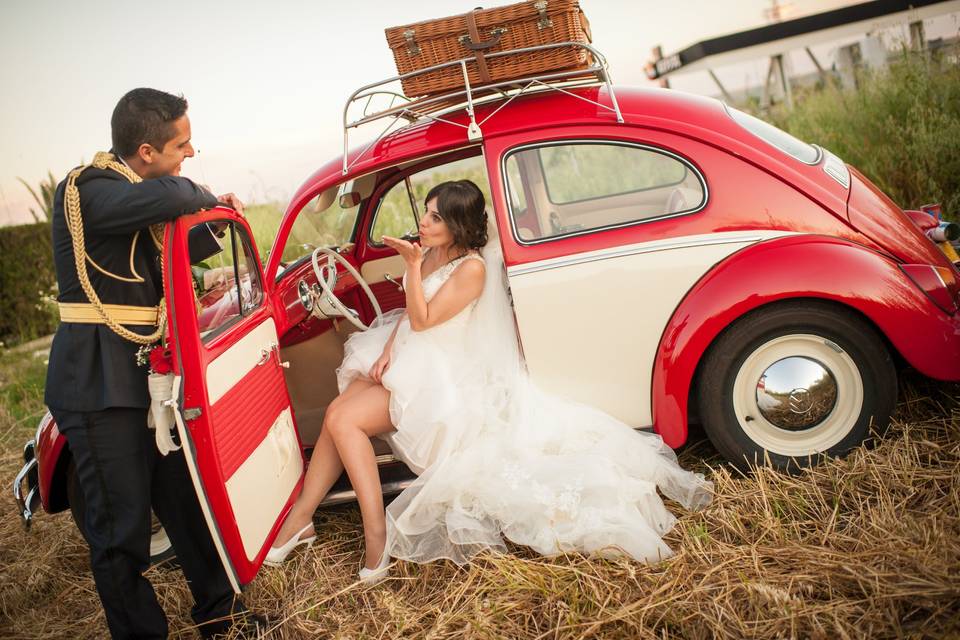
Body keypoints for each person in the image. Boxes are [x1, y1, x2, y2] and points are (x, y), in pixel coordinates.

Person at [267, 180, 713, 580]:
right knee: (335, 413)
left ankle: (376, 538)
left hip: (444, 376)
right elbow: (407, 321)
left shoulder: (472, 270)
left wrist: (410, 266)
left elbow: (423, 320)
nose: (422, 221)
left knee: (345, 422)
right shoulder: (436, 254)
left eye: (435, 216)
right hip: (410, 354)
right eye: (425, 211)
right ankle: (304, 518)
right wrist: (386, 349)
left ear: (458, 225)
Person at [45, 88, 265, 638]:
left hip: (152, 378)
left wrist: (215, 214)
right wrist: (200, 193)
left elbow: (182, 243)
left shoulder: (140, 198)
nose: (191, 153)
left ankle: (221, 615)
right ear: (146, 152)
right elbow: (175, 194)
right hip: (99, 385)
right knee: (121, 533)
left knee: (186, 502)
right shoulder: (88, 189)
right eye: (181, 146)